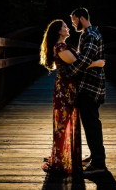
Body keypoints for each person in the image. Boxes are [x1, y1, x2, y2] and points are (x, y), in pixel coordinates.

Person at [40, 19, 105, 174]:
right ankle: (62, 159)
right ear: (58, 31)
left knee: (68, 122)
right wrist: (96, 63)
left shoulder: (62, 46)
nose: (67, 28)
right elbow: (77, 63)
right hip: (65, 90)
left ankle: (69, 157)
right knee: (64, 123)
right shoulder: (61, 46)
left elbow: (76, 62)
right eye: (64, 26)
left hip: (69, 88)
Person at [56, 8, 107, 175]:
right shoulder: (86, 34)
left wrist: (66, 72)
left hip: (91, 86)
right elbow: (83, 58)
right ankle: (95, 157)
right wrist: (96, 63)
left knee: (92, 123)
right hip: (87, 84)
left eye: (74, 20)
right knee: (90, 123)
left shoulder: (91, 34)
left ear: (82, 18)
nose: (72, 23)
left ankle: (99, 162)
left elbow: (84, 60)